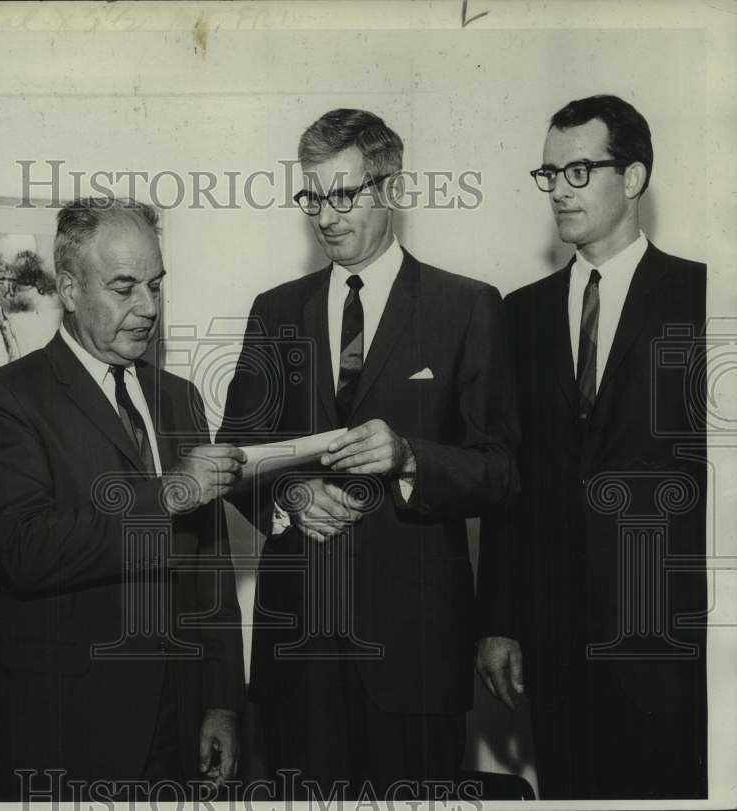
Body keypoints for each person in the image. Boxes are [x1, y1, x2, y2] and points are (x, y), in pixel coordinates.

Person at [219, 108, 519, 798]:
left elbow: (500, 469)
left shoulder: (467, 307)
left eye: (343, 194)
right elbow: (235, 453)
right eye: (312, 196)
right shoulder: (275, 310)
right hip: (299, 657)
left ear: (391, 187)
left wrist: (411, 456)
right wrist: (289, 494)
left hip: (415, 655)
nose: (325, 216)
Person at [0, 197, 246, 801]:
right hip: (64, 730)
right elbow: (23, 550)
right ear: (68, 289)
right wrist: (168, 493)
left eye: (155, 285)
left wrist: (223, 702)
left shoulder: (179, 397)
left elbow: (212, 565)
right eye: (124, 289)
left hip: (178, 726)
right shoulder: (6, 397)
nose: (148, 309)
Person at [476, 94, 707, 799]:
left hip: (669, 635)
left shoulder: (701, 296)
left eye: (579, 171)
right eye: (550, 174)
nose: (560, 192)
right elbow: (507, 478)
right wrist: (501, 623)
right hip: (553, 634)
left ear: (633, 178)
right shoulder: (518, 314)